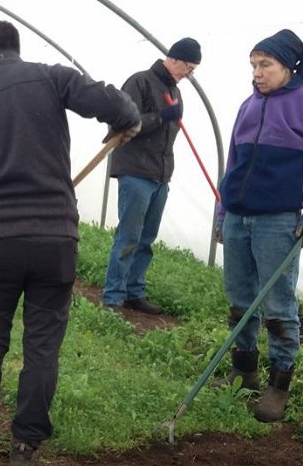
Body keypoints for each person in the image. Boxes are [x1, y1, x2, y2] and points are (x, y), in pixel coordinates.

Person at [0, 19, 140, 466]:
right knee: (42, 347)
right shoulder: (52, 76)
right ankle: (25, 446)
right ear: (13, 46)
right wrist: (125, 121)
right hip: (56, 239)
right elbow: (115, 103)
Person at [214, 29, 303, 423]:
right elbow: (233, 164)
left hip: (279, 222)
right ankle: (244, 370)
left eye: (265, 65)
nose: (257, 73)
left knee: (277, 305)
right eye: (253, 65)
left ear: (289, 66)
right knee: (240, 300)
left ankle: (279, 384)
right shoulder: (247, 106)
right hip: (238, 216)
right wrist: (223, 213)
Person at [101, 38, 202, 315]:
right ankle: (112, 297)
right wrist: (160, 117)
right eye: (189, 68)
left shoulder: (174, 92)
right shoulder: (140, 82)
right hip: (135, 171)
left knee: (147, 238)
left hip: (160, 175)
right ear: (176, 59)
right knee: (130, 235)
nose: (189, 74)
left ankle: (134, 292)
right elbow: (121, 123)